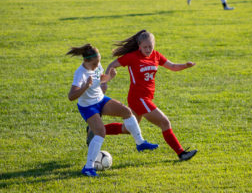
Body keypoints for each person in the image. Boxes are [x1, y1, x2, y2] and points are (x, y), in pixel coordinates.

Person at [102, 30, 198, 161]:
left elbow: (173, 66)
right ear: (139, 45)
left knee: (127, 128)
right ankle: (181, 153)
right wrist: (106, 79)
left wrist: (186, 66)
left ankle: (96, 129)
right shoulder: (132, 56)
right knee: (165, 122)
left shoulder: (156, 55)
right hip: (138, 98)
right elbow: (112, 64)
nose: (148, 49)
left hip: (145, 98)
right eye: (145, 47)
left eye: (150, 47)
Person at [67, 44, 158, 177]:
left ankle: (140, 143)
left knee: (127, 112)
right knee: (100, 132)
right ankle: (88, 167)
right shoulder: (80, 73)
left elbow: (100, 78)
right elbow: (71, 96)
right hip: (88, 107)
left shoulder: (96, 65)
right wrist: (85, 86)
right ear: (85, 61)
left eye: (98, 62)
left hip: (101, 100)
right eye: (94, 64)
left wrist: (109, 77)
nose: (97, 65)